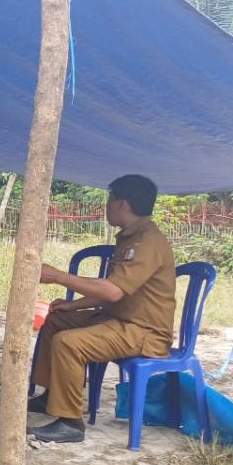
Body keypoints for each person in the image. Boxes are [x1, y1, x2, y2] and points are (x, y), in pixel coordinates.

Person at [29, 175, 177, 444]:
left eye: (110, 199)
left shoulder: (148, 243)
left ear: (122, 204)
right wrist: (72, 305)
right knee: (57, 320)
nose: (107, 206)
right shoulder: (131, 237)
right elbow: (114, 290)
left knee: (69, 343)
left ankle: (71, 422)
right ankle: (51, 396)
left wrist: (59, 276)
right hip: (119, 318)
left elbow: (112, 291)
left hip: (143, 331)